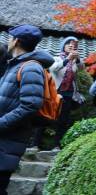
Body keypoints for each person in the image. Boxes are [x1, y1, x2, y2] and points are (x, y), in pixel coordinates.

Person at [0, 25, 54, 194]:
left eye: (10, 37)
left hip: (8, 142)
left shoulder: (30, 67)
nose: (8, 41)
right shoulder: (15, 65)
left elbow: (30, 105)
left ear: (16, 41)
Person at [49, 37, 85, 148]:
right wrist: (67, 59)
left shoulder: (74, 61)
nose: (71, 45)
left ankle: (57, 145)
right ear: (63, 46)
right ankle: (35, 144)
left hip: (69, 93)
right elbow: (54, 68)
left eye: (73, 45)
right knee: (48, 116)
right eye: (68, 44)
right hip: (55, 92)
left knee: (63, 120)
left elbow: (82, 68)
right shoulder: (56, 58)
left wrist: (77, 58)